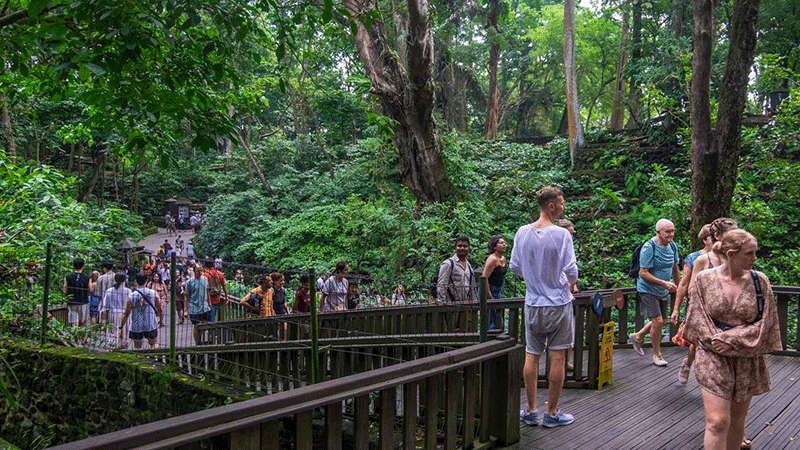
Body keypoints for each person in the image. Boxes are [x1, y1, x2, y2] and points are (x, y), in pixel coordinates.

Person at [684, 230, 781, 450]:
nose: (755, 258)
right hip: (712, 354)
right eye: (749, 253)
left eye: (755, 253)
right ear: (731, 253)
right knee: (718, 422)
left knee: (737, 421)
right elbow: (696, 317)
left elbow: (767, 323)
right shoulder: (705, 280)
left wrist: (733, 339)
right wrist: (718, 341)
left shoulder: (760, 282)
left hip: (746, 356)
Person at [511, 186, 578, 428]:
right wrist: (565, 282)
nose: (563, 207)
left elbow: (515, 267)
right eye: (561, 203)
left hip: (533, 303)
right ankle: (551, 412)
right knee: (558, 356)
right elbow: (572, 271)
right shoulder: (561, 235)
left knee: (532, 354)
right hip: (558, 303)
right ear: (551, 206)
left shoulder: (521, 233)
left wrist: (533, 279)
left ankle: (530, 410)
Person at [629, 218, 681, 367]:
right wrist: (664, 283)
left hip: (662, 290)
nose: (671, 234)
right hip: (647, 289)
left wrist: (680, 286)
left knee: (661, 321)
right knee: (658, 321)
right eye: (667, 232)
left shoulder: (673, 246)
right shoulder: (649, 247)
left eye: (673, 231)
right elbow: (643, 273)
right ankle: (657, 355)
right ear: (658, 232)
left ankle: (638, 336)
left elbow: (674, 267)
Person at [670, 224, 714, 382]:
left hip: (718, 307)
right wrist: (676, 309)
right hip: (698, 306)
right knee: (695, 343)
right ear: (704, 240)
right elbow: (683, 284)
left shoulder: (726, 256)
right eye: (712, 237)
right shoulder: (694, 258)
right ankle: (687, 364)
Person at [118, 273, 162, 349]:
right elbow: (159, 308)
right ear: (147, 281)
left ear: (136, 281)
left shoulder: (131, 296)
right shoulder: (153, 293)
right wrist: (161, 319)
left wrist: (121, 326)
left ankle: (140, 358)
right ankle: (154, 357)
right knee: (154, 343)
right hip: (150, 322)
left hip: (136, 324)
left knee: (137, 347)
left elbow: (126, 313)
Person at [436, 236, 477, 303]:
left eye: (465, 246)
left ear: (468, 248)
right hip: (451, 305)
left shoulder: (469, 266)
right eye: (459, 246)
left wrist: (474, 304)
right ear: (455, 247)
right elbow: (441, 285)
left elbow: (472, 288)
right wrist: (442, 304)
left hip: (465, 305)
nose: (462, 248)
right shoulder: (448, 264)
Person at [482, 235, 508, 330]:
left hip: (498, 290)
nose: (504, 245)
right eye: (501, 243)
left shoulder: (503, 259)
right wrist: (490, 297)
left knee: (499, 318)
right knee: (492, 319)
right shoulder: (492, 260)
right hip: (488, 290)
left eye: (504, 243)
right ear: (495, 247)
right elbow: (484, 278)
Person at [100, 272, 131, 348]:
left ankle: (112, 346)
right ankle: (122, 344)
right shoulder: (128, 291)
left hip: (113, 313)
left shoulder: (109, 291)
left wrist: (103, 316)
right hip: (125, 314)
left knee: (112, 332)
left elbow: (105, 305)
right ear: (124, 280)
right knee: (124, 331)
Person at [185, 265, 212, 344]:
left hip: (205, 306)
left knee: (208, 323)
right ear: (194, 271)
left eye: (201, 270)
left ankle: (208, 341)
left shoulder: (205, 279)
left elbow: (208, 292)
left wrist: (209, 304)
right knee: (196, 326)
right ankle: (198, 343)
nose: (200, 272)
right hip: (194, 307)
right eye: (198, 270)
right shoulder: (189, 282)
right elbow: (186, 296)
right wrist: (186, 310)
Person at [62, 258, 91, 328]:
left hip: (72, 302)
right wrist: (87, 294)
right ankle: (81, 337)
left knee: (73, 321)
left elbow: (64, 290)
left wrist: (66, 297)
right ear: (83, 266)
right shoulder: (87, 277)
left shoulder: (68, 277)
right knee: (82, 321)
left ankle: (74, 335)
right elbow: (90, 289)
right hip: (83, 302)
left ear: (74, 266)